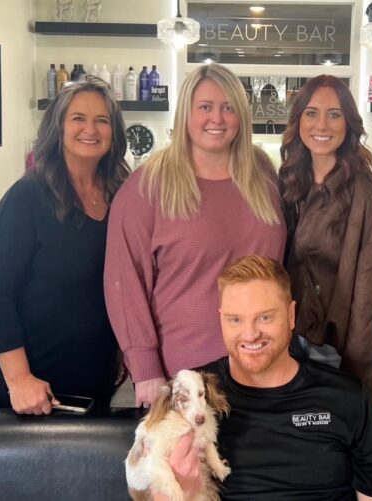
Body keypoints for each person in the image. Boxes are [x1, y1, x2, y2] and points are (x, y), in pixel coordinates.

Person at [105, 64, 286, 408]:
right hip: (187, 375)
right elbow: (124, 282)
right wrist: (146, 370)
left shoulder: (262, 172)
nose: (216, 118)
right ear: (185, 112)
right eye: (205, 107)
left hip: (265, 367)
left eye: (228, 107)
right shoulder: (147, 186)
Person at [158, 255, 372, 500]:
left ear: (291, 315)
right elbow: (149, 485)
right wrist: (183, 492)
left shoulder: (347, 398)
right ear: (221, 319)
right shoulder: (192, 397)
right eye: (235, 320)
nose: (250, 334)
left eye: (265, 317)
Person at [0, 75, 130, 415]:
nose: (90, 129)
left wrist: (121, 350)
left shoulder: (120, 194)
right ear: (57, 126)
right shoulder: (27, 197)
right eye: (78, 118)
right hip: (35, 382)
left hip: (96, 373)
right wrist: (19, 380)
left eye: (102, 120)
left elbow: (115, 285)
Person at [279, 75, 372, 394]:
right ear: (299, 120)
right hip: (284, 340)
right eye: (312, 113)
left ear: (349, 123)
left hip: (329, 351)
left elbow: (369, 298)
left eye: (334, 114)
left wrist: (361, 388)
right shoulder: (289, 182)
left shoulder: (366, 195)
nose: (322, 125)